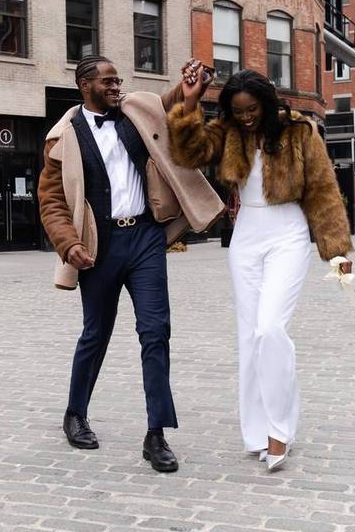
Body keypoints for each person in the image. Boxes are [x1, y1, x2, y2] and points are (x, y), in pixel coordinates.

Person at [38, 56, 223, 473]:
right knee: (95, 334)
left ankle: (156, 434)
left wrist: (193, 87)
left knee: (156, 331)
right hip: (98, 245)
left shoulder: (135, 112)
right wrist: (69, 245)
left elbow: (169, 103)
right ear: (85, 85)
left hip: (144, 239)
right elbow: (50, 201)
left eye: (118, 79)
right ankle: (75, 413)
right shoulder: (62, 138)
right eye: (107, 81)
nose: (115, 86)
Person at [166, 68, 353, 472]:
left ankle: (279, 430)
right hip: (246, 237)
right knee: (250, 337)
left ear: (266, 103)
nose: (246, 117)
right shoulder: (228, 131)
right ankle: (255, 430)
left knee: (271, 328)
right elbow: (188, 153)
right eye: (238, 111)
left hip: (288, 232)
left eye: (252, 110)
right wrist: (192, 101)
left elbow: (322, 190)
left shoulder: (299, 132)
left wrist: (336, 252)